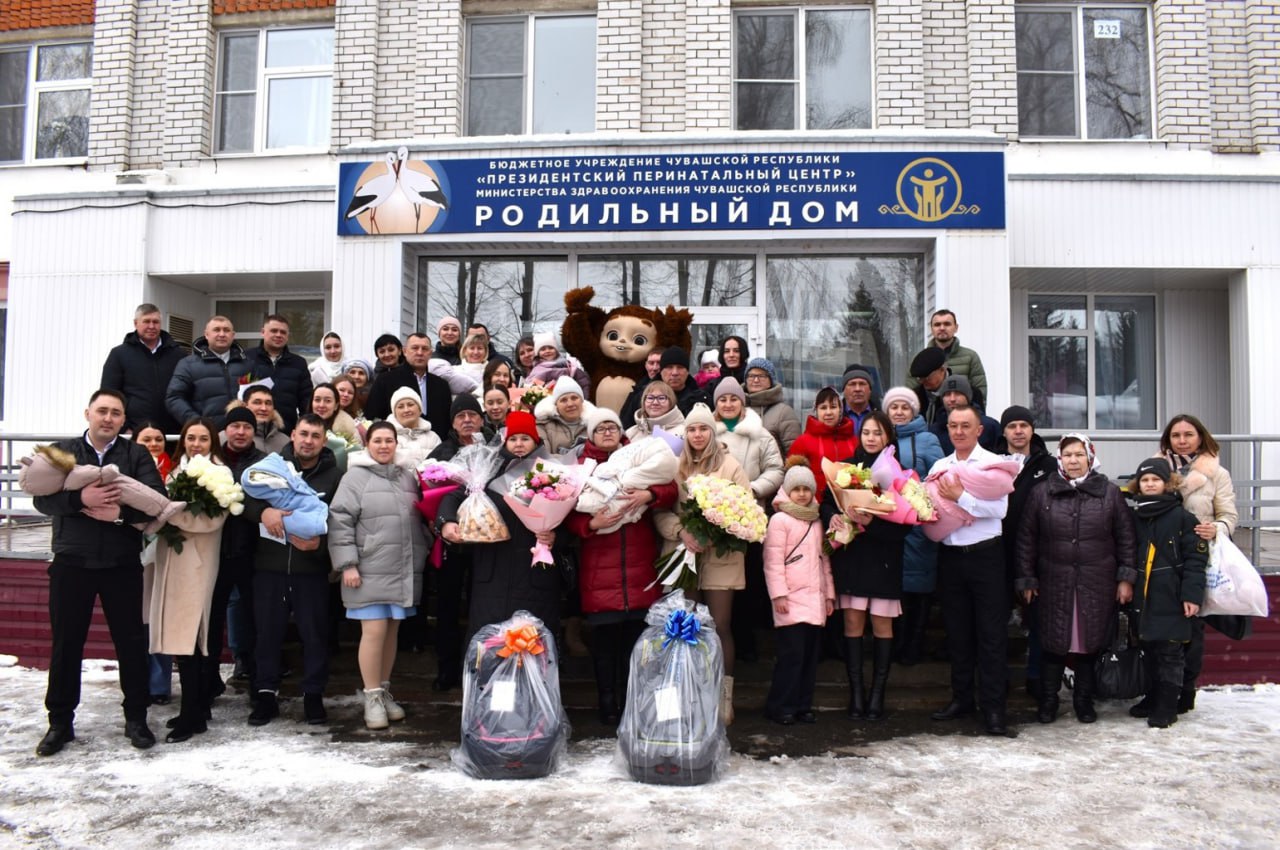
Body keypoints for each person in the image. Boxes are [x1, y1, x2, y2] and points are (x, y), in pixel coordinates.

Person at [33, 389, 165, 756]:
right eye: (102, 411)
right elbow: (40, 498)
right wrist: (80, 500)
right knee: (66, 644)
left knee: (130, 643)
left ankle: (136, 718)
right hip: (71, 562)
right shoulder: (62, 451)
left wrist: (120, 514)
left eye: (116, 413)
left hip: (121, 563)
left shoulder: (135, 454)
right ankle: (60, 722)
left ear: (124, 420)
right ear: (88, 413)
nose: (108, 418)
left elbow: (155, 501)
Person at [565, 408, 677, 724]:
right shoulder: (581, 469)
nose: (607, 433)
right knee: (604, 646)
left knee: (635, 645)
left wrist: (649, 494)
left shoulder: (640, 457)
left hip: (639, 565)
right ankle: (607, 703)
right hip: (599, 567)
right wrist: (591, 522)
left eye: (612, 427)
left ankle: (631, 703)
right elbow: (567, 513)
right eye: (600, 429)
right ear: (590, 435)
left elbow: (671, 489)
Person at [1016, 434, 1136, 724]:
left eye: (1079, 454)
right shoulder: (1042, 492)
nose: (1073, 460)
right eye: (1067, 454)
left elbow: (1126, 538)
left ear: (1090, 457)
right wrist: (1027, 579)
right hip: (1053, 581)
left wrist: (1125, 579)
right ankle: (1048, 701)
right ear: (1060, 458)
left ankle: (1084, 700)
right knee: (1052, 644)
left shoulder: (1109, 493)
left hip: (1097, 582)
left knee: (1089, 644)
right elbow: (1026, 540)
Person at [328, 421, 430, 730]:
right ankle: (371, 696)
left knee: (391, 632)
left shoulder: (407, 477)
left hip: (401, 570)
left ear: (396, 444)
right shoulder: (354, 477)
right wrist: (347, 564)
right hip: (368, 569)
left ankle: (384, 691)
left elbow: (419, 516)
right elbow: (340, 520)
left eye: (389, 440)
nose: (384, 446)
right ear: (367, 445)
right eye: (378, 441)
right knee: (373, 633)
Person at [653, 403, 751, 724]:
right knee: (685, 625)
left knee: (720, 625)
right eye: (692, 429)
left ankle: (723, 697)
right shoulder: (673, 467)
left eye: (703, 429)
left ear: (712, 432)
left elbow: (745, 510)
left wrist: (718, 528)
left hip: (721, 557)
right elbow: (660, 512)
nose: (697, 435)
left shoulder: (731, 466)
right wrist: (683, 531)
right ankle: (687, 689)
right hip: (685, 555)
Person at [244, 415, 343, 726]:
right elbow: (242, 500)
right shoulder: (270, 465)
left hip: (310, 570)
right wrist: (264, 512)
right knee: (267, 633)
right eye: (303, 434)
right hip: (268, 566)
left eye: (315, 435)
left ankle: (313, 695)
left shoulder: (335, 476)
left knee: (315, 635)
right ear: (293, 436)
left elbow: (341, 524)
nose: (308, 440)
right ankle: (265, 694)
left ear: (324, 441)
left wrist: (321, 549)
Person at [438, 411, 564, 639]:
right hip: (491, 570)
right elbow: (454, 497)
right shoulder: (489, 470)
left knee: (531, 644)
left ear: (536, 441)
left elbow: (570, 521)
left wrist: (556, 536)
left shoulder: (551, 472)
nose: (518, 444)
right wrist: (446, 522)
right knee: (488, 643)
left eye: (525, 438)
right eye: (513, 439)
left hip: (533, 571)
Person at [928, 405, 1012, 736]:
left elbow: (1000, 509)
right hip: (950, 557)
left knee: (991, 636)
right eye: (953, 426)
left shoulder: (992, 464)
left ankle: (994, 710)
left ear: (979, 430)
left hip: (986, 558)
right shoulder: (939, 466)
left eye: (966, 426)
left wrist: (962, 498)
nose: (959, 431)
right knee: (958, 633)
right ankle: (962, 699)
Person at [823, 412, 911, 721]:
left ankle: (877, 696)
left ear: (888, 437)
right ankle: (857, 694)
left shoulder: (898, 475)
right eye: (867, 432)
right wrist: (831, 516)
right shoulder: (845, 468)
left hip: (885, 559)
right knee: (853, 624)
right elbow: (825, 501)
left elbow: (906, 526)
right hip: (853, 558)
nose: (871, 438)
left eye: (878, 433)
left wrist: (872, 522)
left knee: (882, 625)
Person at [150, 417, 228, 743]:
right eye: (191, 438)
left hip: (197, 564)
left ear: (213, 443)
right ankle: (193, 711)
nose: (197, 444)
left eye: (204, 439)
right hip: (172, 562)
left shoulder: (219, 474)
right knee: (182, 642)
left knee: (195, 639)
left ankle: (193, 714)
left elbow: (209, 519)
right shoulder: (175, 471)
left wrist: (165, 512)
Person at [1158, 413, 1238, 713]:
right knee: (1159, 630)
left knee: (1191, 629)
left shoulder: (1217, 473)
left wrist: (1216, 528)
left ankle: (1186, 690)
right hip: (1162, 559)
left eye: (1188, 434)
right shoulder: (1157, 468)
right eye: (1176, 435)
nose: (1182, 440)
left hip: (1196, 558)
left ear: (1200, 437)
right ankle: (1159, 690)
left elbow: (1229, 515)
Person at [1124, 458, 1209, 728]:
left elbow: (1195, 560)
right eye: (1145, 480)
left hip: (1172, 597)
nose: (1150, 484)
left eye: (1155, 480)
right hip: (1143, 598)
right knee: (1147, 650)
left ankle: (1168, 705)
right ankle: (1152, 696)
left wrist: (1191, 596)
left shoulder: (1182, 517)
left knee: (1170, 653)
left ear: (1167, 483)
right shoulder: (1136, 516)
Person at [426, 394, 495, 691]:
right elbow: (429, 489)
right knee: (448, 606)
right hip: (453, 541)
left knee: (485, 606)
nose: (467, 420)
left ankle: (483, 666)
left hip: (488, 542)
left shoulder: (495, 448)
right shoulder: (442, 451)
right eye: (460, 416)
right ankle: (447, 668)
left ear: (481, 419)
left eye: (472, 414)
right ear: (453, 423)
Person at [713, 377, 784, 664]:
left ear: (742, 403)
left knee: (750, 581)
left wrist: (751, 489)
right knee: (723, 587)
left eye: (733, 399)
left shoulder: (760, 434)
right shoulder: (708, 433)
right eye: (723, 400)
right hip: (715, 518)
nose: (728, 404)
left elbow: (776, 469)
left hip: (750, 517)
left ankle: (748, 643)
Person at [763, 458, 834, 725]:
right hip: (791, 599)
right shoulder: (780, 520)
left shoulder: (816, 521)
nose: (802, 494)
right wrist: (778, 594)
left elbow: (823, 560)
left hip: (814, 598)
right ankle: (781, 705)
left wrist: (829, 595)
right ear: (787, 491)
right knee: (791, 657)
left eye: (806, 489)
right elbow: (772, 561)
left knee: (808, 658)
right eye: (797, 489)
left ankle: (803, 704)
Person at [996, 405, 1057, 698]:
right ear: (1004, 431)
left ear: (1032, 429)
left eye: (1023, 425)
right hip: (998, 549)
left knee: (1038, 618)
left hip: (1038, 552)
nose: (1018, 431)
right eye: (1012, 426)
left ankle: (1036, 677)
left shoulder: (1049, 464)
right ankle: (1000, 677)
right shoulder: (991, 460)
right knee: (997, 617)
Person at [881, 387, 944, 667]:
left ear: (914, 411)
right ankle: (896, 644)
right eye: (893, 407)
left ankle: (914, 646)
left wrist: (918, 497)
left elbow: (940, 477)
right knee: (896, 589)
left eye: (904, 407)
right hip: (888, 526)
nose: (899, 412)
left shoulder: (928, 439)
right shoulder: (881, 437)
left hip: (918, 527)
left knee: (920, 588)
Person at [212, 406, 266, 700]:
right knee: (212, 616)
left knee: (252, 614)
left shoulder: (263, 462)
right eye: (235, 426)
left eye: (247, 427)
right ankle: (209, 683)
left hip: (252, 550)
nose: (241, 432)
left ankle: (257, 682)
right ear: (226, 430)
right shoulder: (212, 459)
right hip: (214, 551)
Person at [100, 302, 186, 436]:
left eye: (155, 322)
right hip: (135, 434)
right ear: (136, 323)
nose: (151, 326)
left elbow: (187, 392)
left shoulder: (178, 355)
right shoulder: (119, 354)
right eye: (146, 321)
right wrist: (125, 429)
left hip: (172, 434)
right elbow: (109, 395)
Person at [134, 424, 174, 706]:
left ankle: (159, 684)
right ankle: (136, 681)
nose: (153, 443)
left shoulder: (175, 474)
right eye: (146, 439)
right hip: (130, 553)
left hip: (165, 552)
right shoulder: (125, 470)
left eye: (158, 439)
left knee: (160, 617)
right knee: (137, 619)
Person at [166, 315, 251, 430]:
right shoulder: (188, 364)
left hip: (241, 433)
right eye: (216, 330)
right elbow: (174, 398)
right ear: (206, 334)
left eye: (226, 330)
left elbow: (258, 396)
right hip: (207, 435)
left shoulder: (248, 364)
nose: (222, 334)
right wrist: (196, 422)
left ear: (233, 335)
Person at [363, 333, 453, 435]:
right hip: (398, 445)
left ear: (430, 353)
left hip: (437, 446)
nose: (419, 352)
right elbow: (372, 418)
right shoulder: (385, 380)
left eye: (424, 349)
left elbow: (447, 423)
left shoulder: (441, 386)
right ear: (404, 351)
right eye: (415, 348)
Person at [243, 313, 313, 433]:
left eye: (283, 332)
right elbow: (239, 392)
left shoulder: (298, 363)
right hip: (251, 430)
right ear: (263, 332)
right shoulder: (246, 358)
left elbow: (306, 401)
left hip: (286, 430)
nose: (278, 335)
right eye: (274, 331)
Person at [787, 386, 859, 502]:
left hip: (851, 507)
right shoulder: (802, 442)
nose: (828, 412)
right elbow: (792, 480)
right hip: (814, 509)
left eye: (833, 407)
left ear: (840, 410)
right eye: (823, 408)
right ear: (816, 411)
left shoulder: (854, 442)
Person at [906, 310, 988, 403]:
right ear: (931, 328)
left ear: (956, 328)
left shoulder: (970, 357)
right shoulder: (919, 359)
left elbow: (981, 394)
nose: (942, 328)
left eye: (947, 324)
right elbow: (910, 395)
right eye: (937, 324)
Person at [743, 357, 801, 454]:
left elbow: (794, 454)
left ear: (771, 380)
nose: (756, 380)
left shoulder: (784, 412)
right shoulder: (736, 408)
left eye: (762, 376)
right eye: (751, 376)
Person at [930, 375, 1000, 454]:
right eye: (948, 394)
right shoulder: (934, 431)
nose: (952, 399)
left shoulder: (989, 426)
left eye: (958, 394)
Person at [535, 376, 593, 455]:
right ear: (556, 405)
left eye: (574, 398)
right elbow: (544, 457)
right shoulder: (543, 426)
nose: (570, 404)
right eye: (563, 400)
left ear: (582, 401)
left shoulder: (594, 425)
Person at [524, 331, 592, 395]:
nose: (547, 351)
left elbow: (584, 382)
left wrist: (584, 398)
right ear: (538, 353)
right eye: (543, 349)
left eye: (551, 348)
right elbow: (532, 388)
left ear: (556, 350)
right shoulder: (538, 369)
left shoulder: (569, 366)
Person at [389, 386, 442, 466]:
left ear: (420, 409)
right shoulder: (388, 437)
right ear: (394, 413)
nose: (406, 410)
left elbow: (441, 467)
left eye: (410, 405)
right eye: (400, 407)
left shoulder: (433, 438)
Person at [235, 384, 289, 454]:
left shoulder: (285, 441)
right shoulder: (228, 437)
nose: (264, 408)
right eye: (257, 402)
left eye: (268, 403)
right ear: (245, 405)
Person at [908, 346, 950, 429]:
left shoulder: (964, 393)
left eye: (927, 378)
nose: (923, 382)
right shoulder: (915, 396)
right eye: (920, 378)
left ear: (942, 370)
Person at [840, 365, 878, 434]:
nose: (858, 389)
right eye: (852, 384)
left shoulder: (880, 415)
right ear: (844, 390)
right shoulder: (835, 416)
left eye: (862, 384)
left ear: (870, 389)